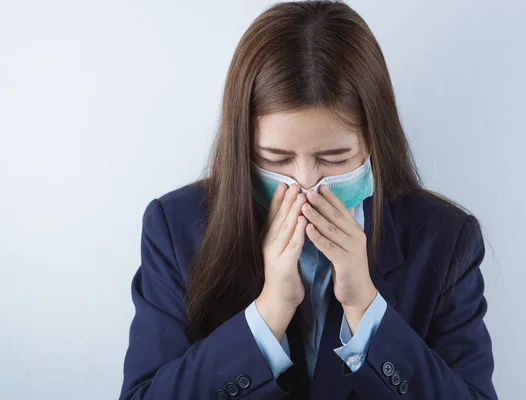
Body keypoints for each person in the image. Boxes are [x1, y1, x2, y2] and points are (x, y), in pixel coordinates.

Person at [118, 1, 497, 399]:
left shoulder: (446, 238)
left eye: (334, 159)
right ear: (242, 144)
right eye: (275, 159)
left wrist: (366, 309)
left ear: (374, 143)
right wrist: (267, 316)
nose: (305, 184)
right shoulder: (175, 228)